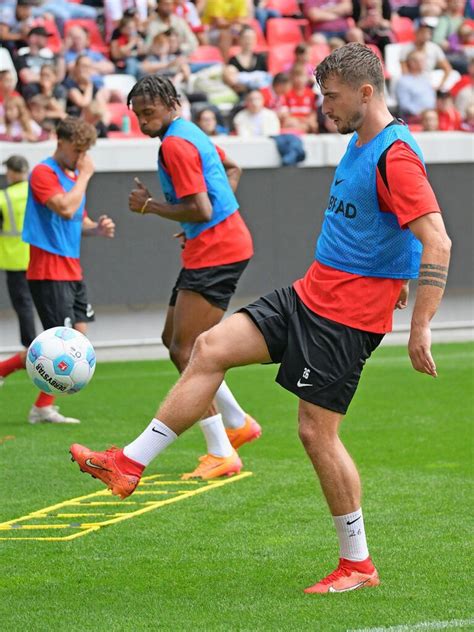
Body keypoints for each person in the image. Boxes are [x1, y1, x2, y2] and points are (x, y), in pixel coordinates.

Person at [70, 44, 452, 593]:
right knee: (208, 348)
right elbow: (388, 227)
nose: (324, 106)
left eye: (332, 97)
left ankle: (358, 563)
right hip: (310, 291)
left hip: (346, 318)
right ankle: (128, 465)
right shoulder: (359, 141)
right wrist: (400, 275)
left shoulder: (396, 154)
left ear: (367, 93)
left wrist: (421, 324)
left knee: (316, 435)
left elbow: (434, 237)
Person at [94, 75, 260, 478]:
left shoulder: (175, 144)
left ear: (171, 104)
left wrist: (150, 206)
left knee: (186, 350)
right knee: (175, 341)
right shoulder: (190, 132)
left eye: (149, 113)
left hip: (216, 254)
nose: (143, 122)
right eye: (137, 115)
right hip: (215, 247)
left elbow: (200, 208)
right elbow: (231, 169)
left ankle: (222, 451)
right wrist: (205, 223)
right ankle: (238, 424)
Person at [0, 117, 116, 424]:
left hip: (72, 268)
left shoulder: (73, 175)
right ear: (60, 142)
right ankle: (41, 406)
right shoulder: (43, 172)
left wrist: (97, 229)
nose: (81, 157)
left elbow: (78, 220)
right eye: (77, 150)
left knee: (78, 334)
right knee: (60, 344)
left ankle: (16, 382)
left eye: (85, 152)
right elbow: (64, 207)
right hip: (48, 270)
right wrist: (87, 176)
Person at [0, 155, 37, 390]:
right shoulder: (36, 192)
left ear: (13, 172)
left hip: (14, 260)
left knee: (23, 306)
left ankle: (30, 347)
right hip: (38, 258)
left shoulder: (3, 198)